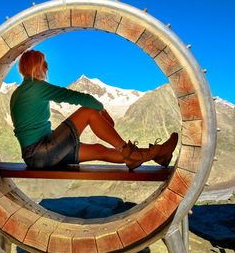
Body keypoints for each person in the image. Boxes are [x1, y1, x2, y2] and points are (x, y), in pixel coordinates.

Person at [9, 49, 178, 170]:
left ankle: (158, 154)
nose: (47, 68)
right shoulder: (36, 87)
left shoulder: (19, 92)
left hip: (36, 156)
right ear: (35, 67)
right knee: (87, 111)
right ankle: (129, 151)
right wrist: (102, 111)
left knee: (99, 150)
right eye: (44, 64)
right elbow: (78, 98)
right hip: (41, 152)